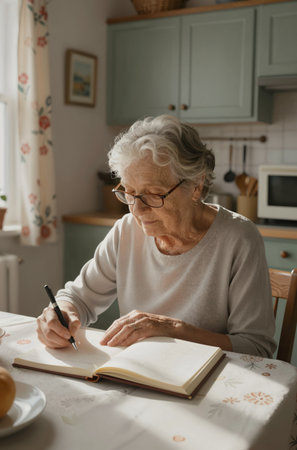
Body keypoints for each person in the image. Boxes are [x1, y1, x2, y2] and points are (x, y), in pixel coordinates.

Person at [37, 115, 276, 357]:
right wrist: (61, 314)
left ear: (196, 186)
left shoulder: (239, 238)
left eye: (154, 194)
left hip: (210, 383)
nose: (137, 210)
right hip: (141, 374)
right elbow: (78, 297)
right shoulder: (126, 230)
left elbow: (256, 348)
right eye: (129, 192)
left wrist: (171, 328)